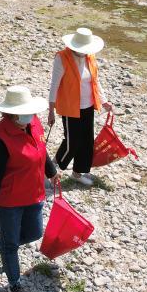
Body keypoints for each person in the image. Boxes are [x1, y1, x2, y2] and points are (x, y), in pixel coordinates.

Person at [0, 85, 60, 292]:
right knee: (12, 246)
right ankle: (14, 284)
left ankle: (3, 244)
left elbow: (41, 149)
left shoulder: (33, 122)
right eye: (23, 113)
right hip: (9, 201)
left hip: (34, 194)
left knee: (34, 233)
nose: (29, 116)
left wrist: (51, 172)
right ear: (11, 114)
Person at [48, 28, 113, 187]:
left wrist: (104, 101)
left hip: (88, 106)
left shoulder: (90, 57)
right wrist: (51, 111)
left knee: (86, 142)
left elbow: (95, 81)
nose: (84, 52)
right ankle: (51, 171)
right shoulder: (62, 58)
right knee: (72, 143)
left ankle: (77, 173)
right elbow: (54, 85)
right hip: (70, 107)